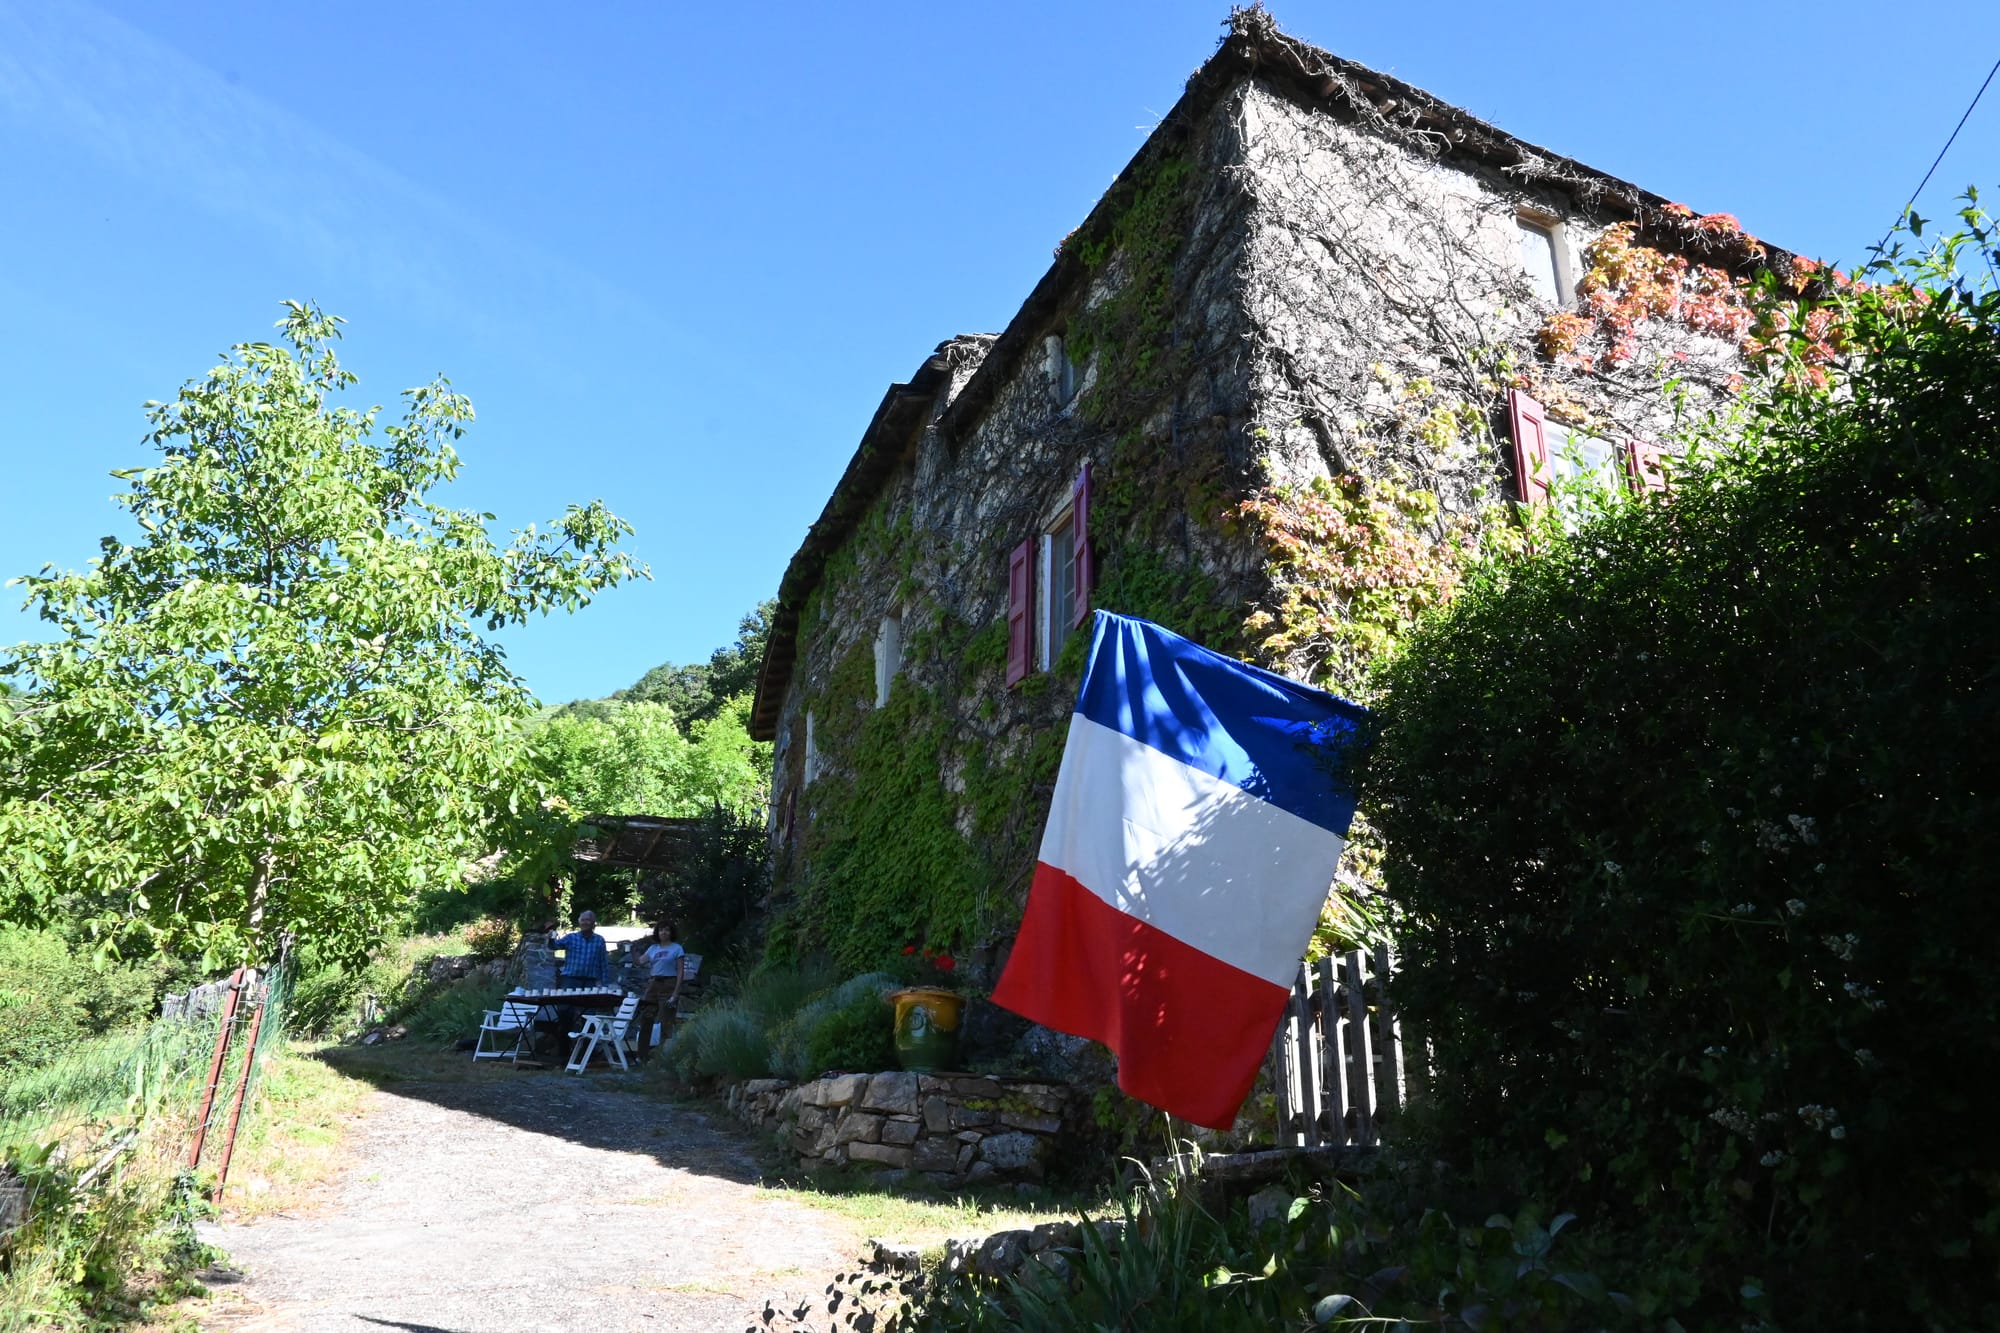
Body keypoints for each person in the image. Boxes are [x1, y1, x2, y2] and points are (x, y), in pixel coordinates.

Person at [633, 921, 685, 1057]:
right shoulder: (653, 948)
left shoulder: (677, 948)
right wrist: (633, 950)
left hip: (669, 984)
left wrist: (675, 993)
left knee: (666, 1021)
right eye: (661, 930)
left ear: (671, 932)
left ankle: (663, 1057)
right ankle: (641, 1056)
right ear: (657, 932)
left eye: (667, 930)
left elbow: (680, 971)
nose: (664, 932)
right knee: (646, 1018)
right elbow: (639, 962)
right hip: (653, 984)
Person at [549, 910, 610, 989]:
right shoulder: (571, 937)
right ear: (579, 923)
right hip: (570, 980)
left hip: (590, 982)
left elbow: (603, 963)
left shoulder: (599, 940)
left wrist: (605, 984)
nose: (585, 923)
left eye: (588, 920)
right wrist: (551, 938)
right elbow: (554, 946)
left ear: (593, 923)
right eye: (582, 920)